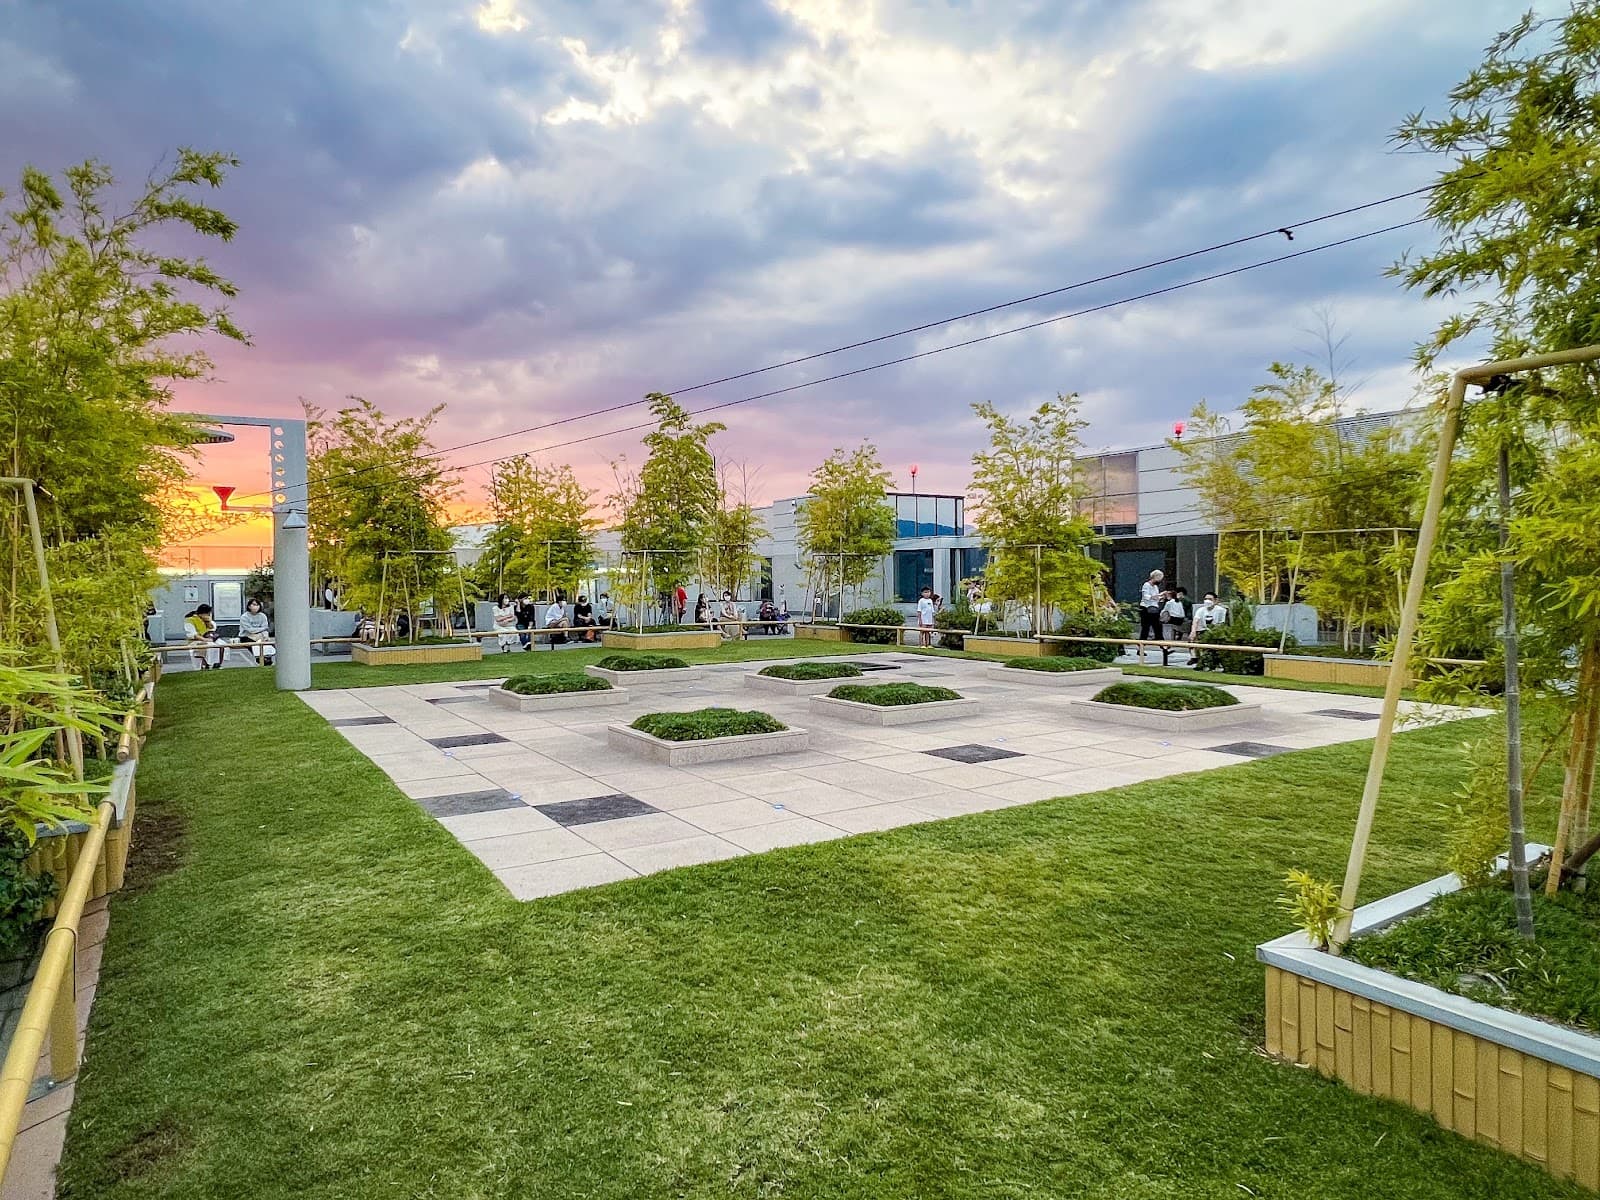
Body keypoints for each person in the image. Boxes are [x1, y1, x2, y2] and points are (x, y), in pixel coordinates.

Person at [1189, 592, 1230, 665]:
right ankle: (1194, 657)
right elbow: (1195, 621)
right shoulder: (1200, 610)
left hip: (1216, 631)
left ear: (1216, 600)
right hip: (1203, 631)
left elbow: (1223, 624)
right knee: (1192, 638)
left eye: (1210, 599)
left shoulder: (1221, 610)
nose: (1207, 601)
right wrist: (1193, 631)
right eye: (1206, 599)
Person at [184, 604, 222, 670]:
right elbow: (192, 634)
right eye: (207, 613)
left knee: (222, 644)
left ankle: (217, 663)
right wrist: (204, 639)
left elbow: (212, 629)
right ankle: (206, 664)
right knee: (210, 646)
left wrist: (208, 622)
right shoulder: (190, 620)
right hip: (196, 640)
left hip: (207, 637)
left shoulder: (206, 619)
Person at [238, 597, 274, 667]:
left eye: (257, 605)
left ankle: (268, 659)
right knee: (255, 645)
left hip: (261, 636)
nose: (256, 607)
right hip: (246, 636)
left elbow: (265, 628)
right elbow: (250, 630)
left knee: (267, 643)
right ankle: (260, 659)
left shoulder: (262, 616)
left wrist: (265, 635)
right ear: (249, 606)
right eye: (253, 605)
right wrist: (261, 629)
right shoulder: (244, 617)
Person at [1159, 587, 1188, 666]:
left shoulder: (1169, 603)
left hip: (1173, 619)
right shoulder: (1179, 602)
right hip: (1180, 620)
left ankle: (1166, 647)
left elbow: (1164, 611)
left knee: (1163, 626)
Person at [1138, 570, 1165, 649]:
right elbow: (1146, 597)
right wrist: (1157, 596)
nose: (1160, 581)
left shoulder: (1156, 587)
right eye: (1159, 579)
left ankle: (1162, 644)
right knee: (1145, 628)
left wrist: (1161, 598)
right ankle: (1141, 647)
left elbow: (1156, 598)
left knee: (1158, 627)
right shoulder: (1146, 585)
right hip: (1146, 608)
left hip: (1154, 608)